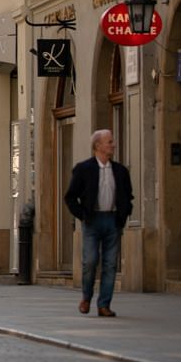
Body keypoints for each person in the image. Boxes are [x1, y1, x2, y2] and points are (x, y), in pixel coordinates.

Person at [64, 129, 134, 317]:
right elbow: (70, 197)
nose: (113, 145)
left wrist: (124, 214)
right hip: (92, 220)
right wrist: (83, 215)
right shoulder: (84, 169)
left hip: (112, 220)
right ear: (98, 146)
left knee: (110, 264)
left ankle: (104, 304)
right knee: (90, 261)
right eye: (109, 142)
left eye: (112, 141)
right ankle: (86, 297)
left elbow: (128, 196)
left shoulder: (120, 171)